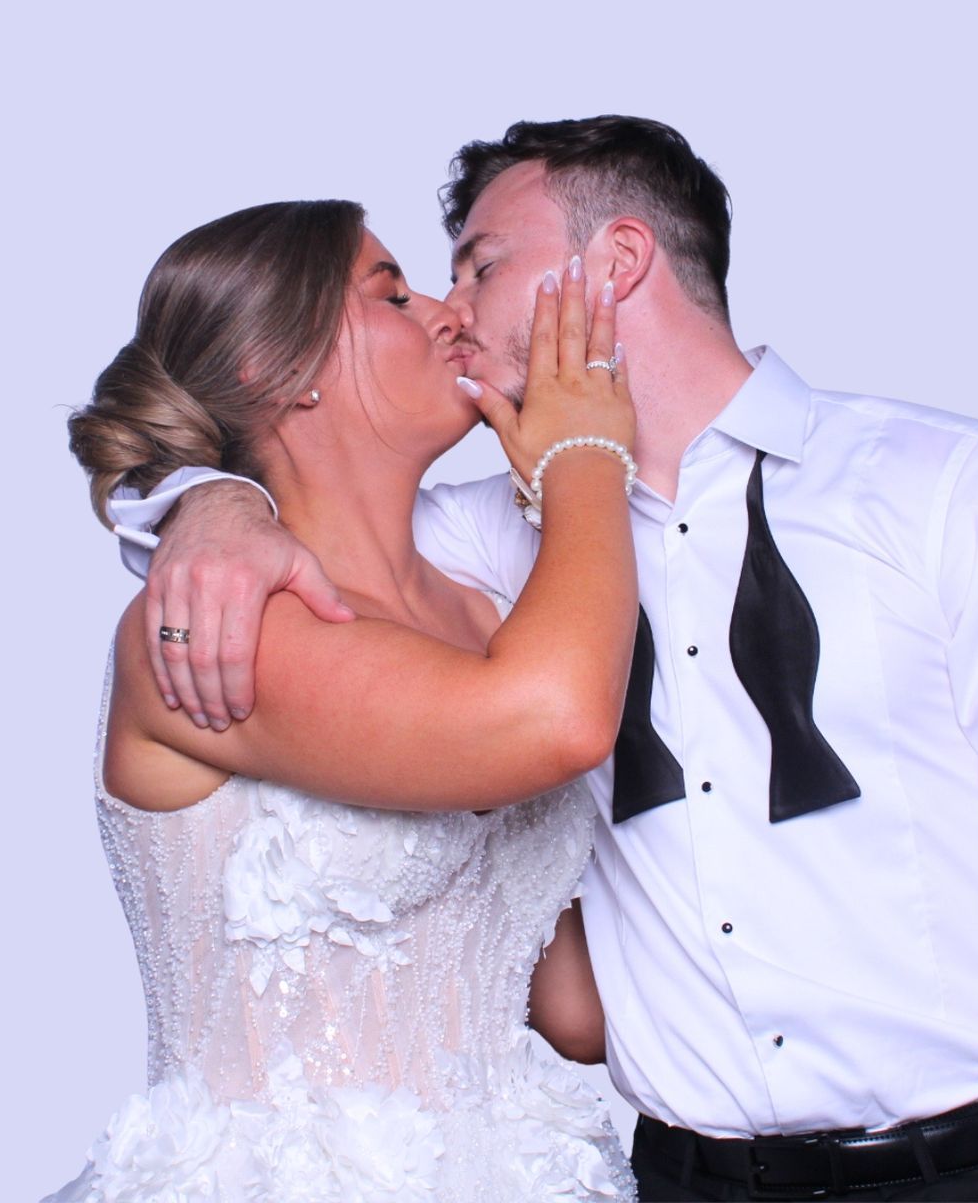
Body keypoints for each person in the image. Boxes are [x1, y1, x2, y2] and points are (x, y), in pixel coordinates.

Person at [120, 117, 978, 1202]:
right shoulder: (489, 552)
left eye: (485, 267)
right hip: (678, 1179)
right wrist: (211, 502)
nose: (455, 314)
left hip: (966, 1168)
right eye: (418, 288)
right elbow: (314, 517)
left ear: (620, 261)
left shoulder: (951, 488)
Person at [50, 199, 645, 1201]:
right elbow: (557, 721)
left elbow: (574, 1007)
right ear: (276, 370)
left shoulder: (490, 613)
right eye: (392, 291)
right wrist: (586, 454)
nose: (449, 309)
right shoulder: (214, 622)